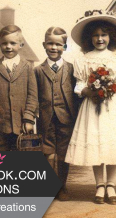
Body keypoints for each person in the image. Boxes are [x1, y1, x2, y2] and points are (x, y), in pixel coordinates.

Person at [65, 10, 116, 205]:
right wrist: (88, 91)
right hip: (92, 106)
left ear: (111, 37)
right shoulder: (83, 59)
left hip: (114, 106)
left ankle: (111, 184)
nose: (100, 39)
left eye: (104, 35)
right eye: (95, 35)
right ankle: (99, 184)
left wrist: (114, 86)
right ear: (89, 38)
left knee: (112, 143)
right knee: (96, 143)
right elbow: (79, 84)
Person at [34, 27, 80, 201]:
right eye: (50, 44)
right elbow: (33, 95)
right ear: (44, 45)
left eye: (58, 44)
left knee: (63, 152)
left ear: (65, 47)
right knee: (47, 151)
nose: (54, 47)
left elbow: (77, 93)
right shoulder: (38, 70)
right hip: (45, 118)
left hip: (66, 117)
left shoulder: (71, 69)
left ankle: (62, 186)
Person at [0, 25, 38, 151]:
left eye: (13, 43)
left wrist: (28, 119)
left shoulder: (27, 67)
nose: (8, 46)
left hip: (21, 125)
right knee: (0, 161)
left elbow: (33, 96)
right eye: (4, 43)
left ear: (21, 45)